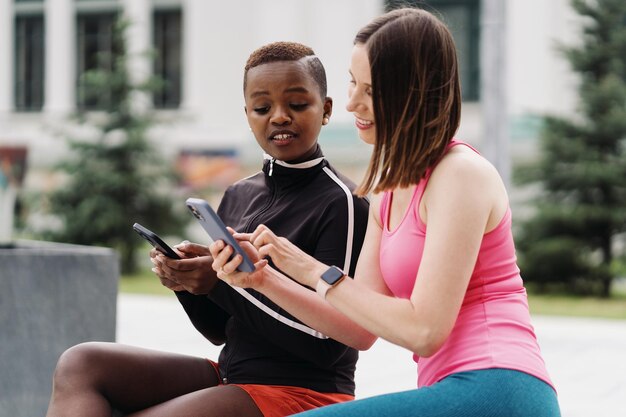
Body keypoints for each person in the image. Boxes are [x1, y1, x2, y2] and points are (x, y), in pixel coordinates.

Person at [210, 8, 561, 417]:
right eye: (353, 83)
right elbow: (359, 330)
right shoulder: (389, 188)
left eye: (371, 91)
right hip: (450, 389)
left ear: (414, 92)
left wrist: (311, 271)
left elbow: (424, 330)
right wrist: (264, 278)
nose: (352, 102)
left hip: (500, 386)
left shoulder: (461, 175)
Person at [45, 41, 369, 417]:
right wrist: (189, 285)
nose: (279, 117)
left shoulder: (343, 202)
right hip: (231, 376)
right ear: (248, 114)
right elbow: (220, 330)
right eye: (263, 108)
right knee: (81, 363)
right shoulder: (240, 193)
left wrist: (219, 285)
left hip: (303, 390)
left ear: (325, 109)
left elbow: (329, 345)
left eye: (297, 104)